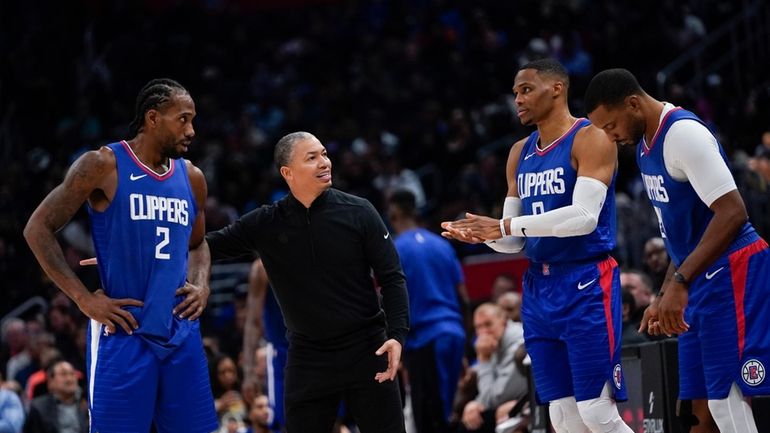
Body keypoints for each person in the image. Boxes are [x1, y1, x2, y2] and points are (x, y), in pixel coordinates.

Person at [442, 58, 634, 433]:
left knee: (596, 409)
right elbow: (514, 241)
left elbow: (583, 217)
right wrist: (486, 235)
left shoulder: (590, 136)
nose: (518, 99)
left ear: (557, 88)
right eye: (515, 92)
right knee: (561, 416)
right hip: (538, 288)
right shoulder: (519, 152)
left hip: (586, 282)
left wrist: (503, 225)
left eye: (527, 89)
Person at [23, 78, 218, 432]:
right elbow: (37, 229)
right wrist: (83, 298)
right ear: (153, 117)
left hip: (181, 334)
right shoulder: (103, 164)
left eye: (193, 120)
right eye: (183, 119)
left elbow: (198, 243)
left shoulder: (192, 178)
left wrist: (202, 284)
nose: (191, 130)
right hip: (124, 332)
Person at [585, 67, 770, 433]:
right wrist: (665, 292)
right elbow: (679, 236)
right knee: (695, 411)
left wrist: (681, 282)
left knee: (726, 398)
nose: (610, 136)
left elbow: (733, 212)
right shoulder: (642, 149)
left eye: (610, 125)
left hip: (734, 269)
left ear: (633, 104)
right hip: (700, 275)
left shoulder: (684, 134)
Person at [206, 131, 409, 433]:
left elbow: (392, 277)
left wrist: (397, 334)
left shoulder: (360, 211)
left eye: (324, 154)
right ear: (287, 172)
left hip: (367, 347)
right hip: (308, 356)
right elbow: (208, 246)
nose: (324, 162)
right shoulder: (266, 223)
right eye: (312, 157)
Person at [386, 189, 467, 433]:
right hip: (454, 333)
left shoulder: (395, 249)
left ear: (394, 212)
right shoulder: (442, 245)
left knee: (429, 420)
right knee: (450, 413)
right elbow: (463, 297)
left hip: (425, 340)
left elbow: (391, 301)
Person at [459, 303, 527, 433]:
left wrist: (484, 360)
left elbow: (494, 399)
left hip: (528, 405)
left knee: (476, 422)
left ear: (504, 322)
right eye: (478, 327)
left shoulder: (518, 345)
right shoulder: (496, 342)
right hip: (510, 403)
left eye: (488, 324)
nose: (483, 332)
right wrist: (475, 403)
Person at [242, 258, 289, 432]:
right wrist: (248, 371)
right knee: (284, 422)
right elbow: (253, 322)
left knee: (330, 418)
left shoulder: (314, 254)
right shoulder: (261, 268)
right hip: (281, 351)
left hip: (317, 348)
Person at [23, 359, 88, 433]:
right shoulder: (38, 408)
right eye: (63, 374)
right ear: (50, 382)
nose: (69, 379)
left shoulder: (87, 406)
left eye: (72, 374)